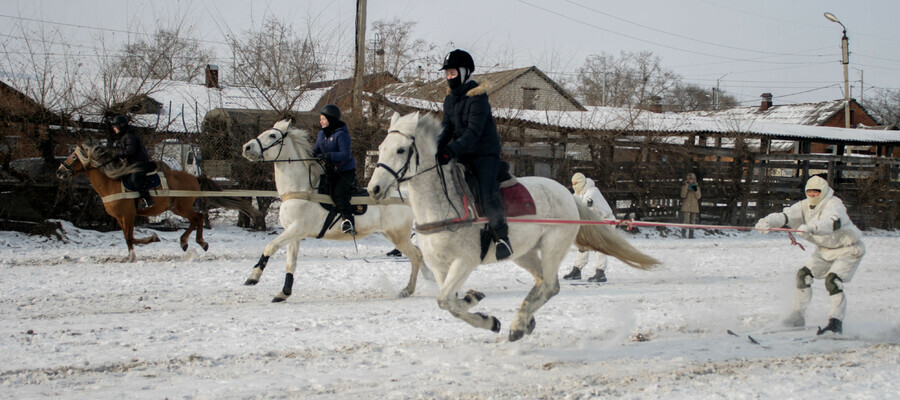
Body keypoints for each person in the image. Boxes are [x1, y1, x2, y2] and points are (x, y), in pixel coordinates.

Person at [754, 175, 865, 335]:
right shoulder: (804, 206)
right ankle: (798, 316)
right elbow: (786, 216)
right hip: (824, 250)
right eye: (810, 192)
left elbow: (833, 222)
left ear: (824, 191)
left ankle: (836, 321)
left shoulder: (834, 204)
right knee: (803, 275)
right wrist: (768, 222)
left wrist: (812, 227)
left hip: (848, 249)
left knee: (833, 280)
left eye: (816, 192)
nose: (813, 195)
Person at [435, 49, 512, 261]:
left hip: (484, 152)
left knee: (487, 193)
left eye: (452, 73)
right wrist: (437, 147)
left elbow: (473, 133)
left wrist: (451, 150)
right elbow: (446, 128)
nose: (449, 78)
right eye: (447, 74)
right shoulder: (450, 100)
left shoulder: (477, 97)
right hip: (462, 152)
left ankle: (501, 237)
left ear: (465, 72)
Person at [312, 104, 358, 235]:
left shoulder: (341, 134)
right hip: (331, 171)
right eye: (320, 119)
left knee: (338, 193)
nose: (320, 121)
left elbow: (345, 154)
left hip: (345, 171)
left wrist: (327, 156)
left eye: (323, 119)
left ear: (330, 119)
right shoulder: (321, 134)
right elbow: (316, 151)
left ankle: (348, 221)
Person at [563, 173, 615, 282]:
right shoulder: (578, 194)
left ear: (581, 182)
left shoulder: (592, 191)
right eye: (573, 184)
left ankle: (600, 272)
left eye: (576, 184)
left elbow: (587, 203)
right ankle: (577, 270)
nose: (574, 186)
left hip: (604, 221)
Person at [112, 115, 155, 209]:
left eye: (115, 126)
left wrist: (118, 154)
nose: (113, 128)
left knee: (134, 178)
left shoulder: (129, 136)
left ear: (121, 125)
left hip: (140, 163)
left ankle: (147, 199)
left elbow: (130, 151)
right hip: (133, 163)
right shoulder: (125, 136)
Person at [680, 172, 701, 239]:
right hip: (686, 206)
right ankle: (683, 234)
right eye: (689, 179)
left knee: (692, 222)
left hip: (694, 207)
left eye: (692, 179)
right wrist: (686, 188)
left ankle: (691, 235)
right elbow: (682, 195)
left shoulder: (697, 187)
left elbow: (698, 197)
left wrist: (695, 190)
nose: (690, 181)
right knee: (686, 221)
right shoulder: (684, 186)